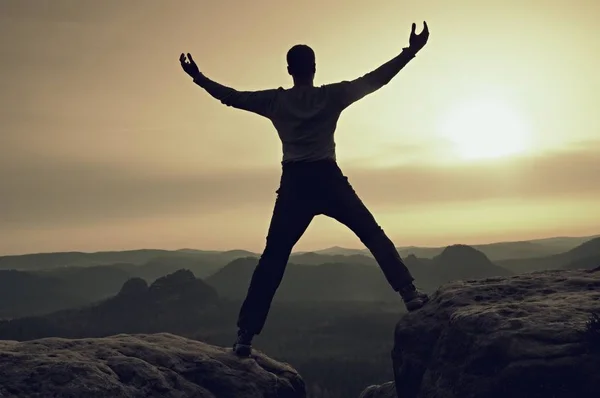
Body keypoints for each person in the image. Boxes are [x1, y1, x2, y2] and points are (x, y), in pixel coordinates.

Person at [180, 21, 431, 357]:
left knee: (273, 259)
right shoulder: (331, 95)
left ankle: (244, 337)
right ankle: (409, 294)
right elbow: (376, 79)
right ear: (314, 68)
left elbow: (231, 97)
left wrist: (198, 77)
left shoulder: (275, 102)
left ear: (288, 69)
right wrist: (410, 51)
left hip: (295, 184)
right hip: (328, 179)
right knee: (371, 233)